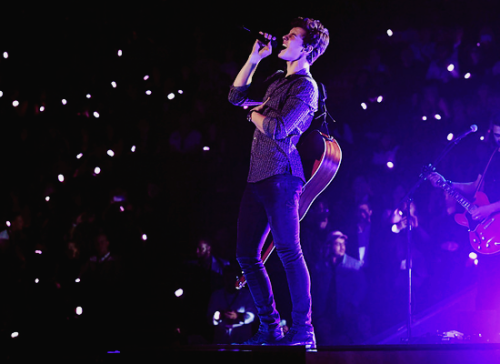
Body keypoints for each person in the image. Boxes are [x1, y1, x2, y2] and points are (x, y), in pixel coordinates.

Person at [228, 17, 329, 347]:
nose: (284, 38)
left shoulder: (306, 87)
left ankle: (303, 329)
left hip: (283, 177)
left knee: (288, 250)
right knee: (246, 254)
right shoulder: (275, 83)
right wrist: (254, 59)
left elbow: (278, 129)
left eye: (292, 36)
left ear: (308, 48)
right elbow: (234, 95)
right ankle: (270, 327)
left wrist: (252, 113)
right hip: (257, 177)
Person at [427, 114, 500, 336]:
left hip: (492, 215)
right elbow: (475, 187)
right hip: (490, 232)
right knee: (486, 286)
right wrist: (447, 183)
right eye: (497, 135)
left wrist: (488, 209)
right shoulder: (492, 155)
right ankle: (485, 339)